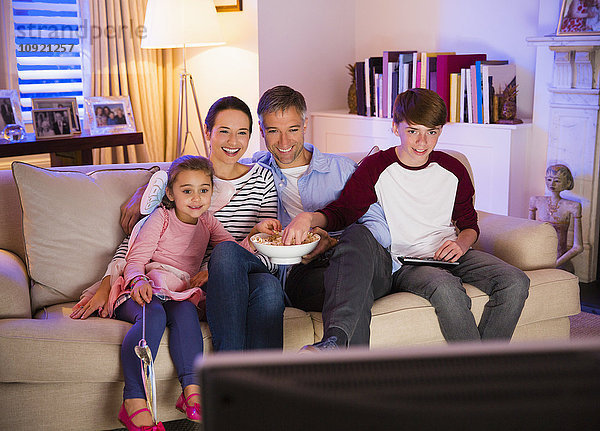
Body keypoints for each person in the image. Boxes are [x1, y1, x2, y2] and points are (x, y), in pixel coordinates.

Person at [284, 88, 530, 347]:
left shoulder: (453, 169)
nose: (422, 142)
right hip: (405, 263)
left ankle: (484, 372)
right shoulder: (375, 167)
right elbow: (343, 212)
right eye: (413, 131)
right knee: (445, 288)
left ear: (440, 131)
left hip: (452, 253)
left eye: (431, 132)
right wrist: (308, 219)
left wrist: (461, 244)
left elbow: (469, 225)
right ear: (395, 127)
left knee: (515, 281)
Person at [71, 155, 269, 429]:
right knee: (152, 315)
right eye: (187, 191)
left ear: (212, 192)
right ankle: (133, 400)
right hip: (142, 286)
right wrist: (139, 280)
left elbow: (231, 252)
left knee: (187, 312)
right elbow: (135, 259)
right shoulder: (161, 218)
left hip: (178, 291)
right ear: (170, 193)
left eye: (204, 190)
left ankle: (191, 391)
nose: (196, 198)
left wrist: (256, 234)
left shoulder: (208, 222)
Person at [114, 96, 285, 352]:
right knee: (266, 287)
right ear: (208, 132)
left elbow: (270, 247)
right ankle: (233, 379)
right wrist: (112, 278)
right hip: (203, 281)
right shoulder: (186, 178)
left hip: (249, 266)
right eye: (224, 131)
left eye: (242, 133)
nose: (233, 142)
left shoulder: (263, 178)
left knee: (261, 280)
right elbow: (140, 239)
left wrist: (228, 259)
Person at [250, 85, 391, 348]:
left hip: (363, 261)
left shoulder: (343, 169)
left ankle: (334, 346)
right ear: (261, 131)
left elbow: (381, 233)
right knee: (353, 289)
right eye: (273, 131)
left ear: (305, 126)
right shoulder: (254, 176)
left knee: (358, 234)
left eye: (292, 129)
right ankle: (335, 345)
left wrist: (334, 243)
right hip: (306, 275)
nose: (283, 142)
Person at [529, 164, 583, 272]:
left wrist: (554, 264)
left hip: (560, 263)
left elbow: (578, 247)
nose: (552, 184)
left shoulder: (573, 206)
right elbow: (530, 234)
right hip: (539, 260)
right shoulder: (536, 200)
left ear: (567, 183)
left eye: (557, 181)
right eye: (549, 179)